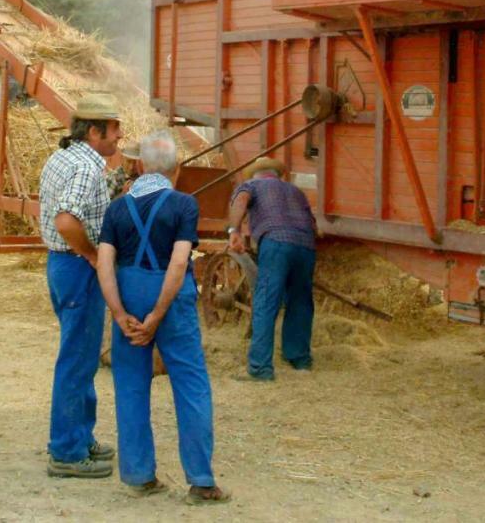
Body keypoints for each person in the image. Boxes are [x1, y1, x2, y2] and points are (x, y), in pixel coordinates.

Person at [95, 131, 228, 504]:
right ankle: (201, 481)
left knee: (131, 384)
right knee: (190, 383)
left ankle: (139, 476)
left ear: (138, 166)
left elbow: (105, 264)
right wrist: (158, 313)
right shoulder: (184, 205)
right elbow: (179, 261)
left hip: (127, 294)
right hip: (170, 299)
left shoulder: (117, 208)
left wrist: (120, 314)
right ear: (178, 167)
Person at [38, 93, 123, 478]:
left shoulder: (62, 157)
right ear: (94, 131)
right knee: (76, 359)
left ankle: (80, 436)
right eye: (114, 129)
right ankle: (68, 453)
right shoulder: (88, 169)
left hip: (59, 265)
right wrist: (91, 254)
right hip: (76, 266)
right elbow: (66, 220)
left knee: (84, 356)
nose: (119, 136)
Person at [227, 157, 317, 381]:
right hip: (306, 245)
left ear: (255, 174)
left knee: (266, 300)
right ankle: (299, 358)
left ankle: (260, 368)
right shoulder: (296, 191)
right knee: (301, 301)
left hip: (276, 242)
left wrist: (234, 230)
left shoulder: (251, 186)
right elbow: (314, 224)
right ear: (276, 174)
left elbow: (241, 201)